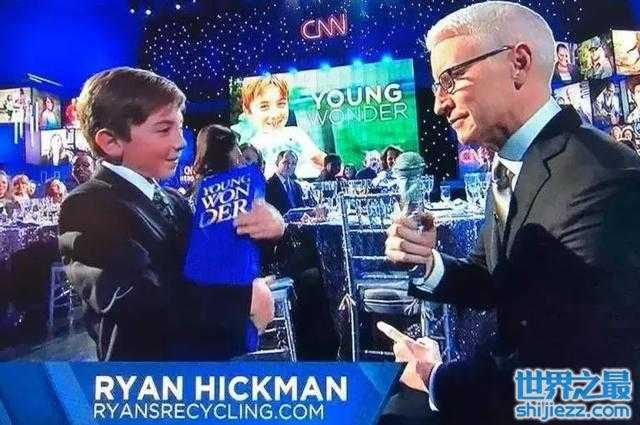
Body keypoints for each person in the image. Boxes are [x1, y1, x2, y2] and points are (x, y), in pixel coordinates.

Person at [382, 2, 640, 424]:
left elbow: (573, 374)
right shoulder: (511, 164)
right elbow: (495, 279)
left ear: (518, 63)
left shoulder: (604, 180)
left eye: (449, 79)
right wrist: (426, 263)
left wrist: (434, 377)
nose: (439, 104)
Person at [58, 67, 285, 361]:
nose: (181, 142)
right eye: (164, 129)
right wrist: (242, 300)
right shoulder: (87, 205)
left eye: (180, 127)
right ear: (111, 141)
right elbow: (139, 298)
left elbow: (211, 263)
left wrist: (270, 227)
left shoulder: (175, 201)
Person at [183, 123, 276, 359]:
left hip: (205, 293)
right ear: (231, 150)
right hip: (230, 294)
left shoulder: (197, 190)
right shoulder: (234, 189)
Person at [234, 75, 326, 178]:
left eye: (281, 104)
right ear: (248, 110)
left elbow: (320, 158)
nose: (275, 114)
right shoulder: (251, 147)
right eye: (264, 107)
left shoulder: (296, 134)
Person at [265, 150, 304, 216]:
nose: (289, 166)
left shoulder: (297, 186)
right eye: (286, 162)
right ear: (277, 163)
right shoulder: (267, 186)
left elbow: (302, 209)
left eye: (293, 164)